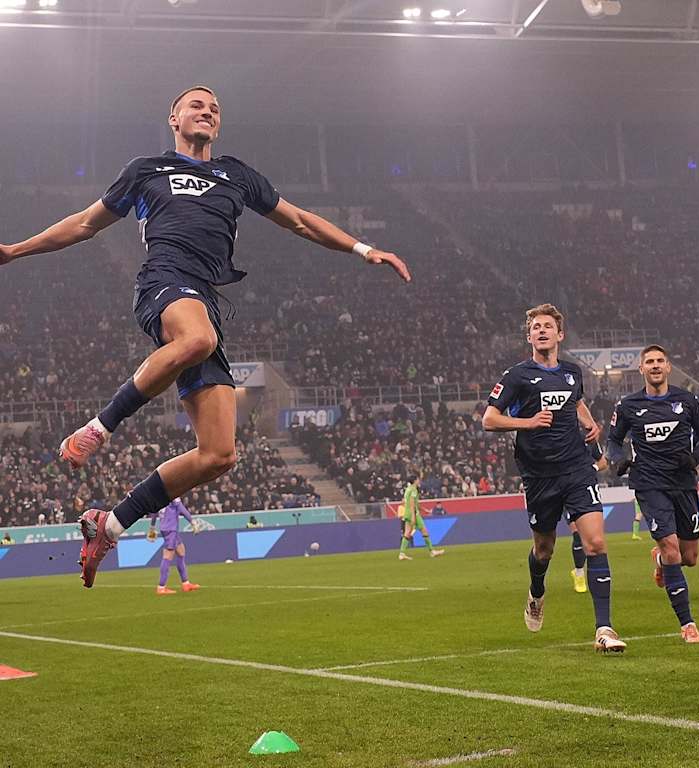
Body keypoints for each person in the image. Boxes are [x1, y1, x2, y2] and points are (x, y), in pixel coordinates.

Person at [0, 86, 410, 589]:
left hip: (206, 299)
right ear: (173, 117)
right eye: (197, 104)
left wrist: (364, 249)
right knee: (198, 339)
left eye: (215, 108)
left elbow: (300, 220)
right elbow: (85, 223)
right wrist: (17, 250)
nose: (208, 111)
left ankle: (108, 525)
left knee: (219, 454)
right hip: (164, 281)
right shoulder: (146, 170)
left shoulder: (235, 175)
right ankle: (98, 429)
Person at [483, 303, 626, 653]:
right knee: (544, 550)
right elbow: (489, 419)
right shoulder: (516, 376)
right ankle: (536, 591)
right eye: (536, 327)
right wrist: (527, 422)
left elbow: (574, 402)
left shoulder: (572, 373)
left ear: (560, 334)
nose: (542, 331)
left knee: (595, 544)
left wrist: (589, 425)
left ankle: (604, 629)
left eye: (548, 326)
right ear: (529, 336)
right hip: (539, 476)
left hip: (576, 468)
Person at [607, 345, 699, 643]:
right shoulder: (628, 405)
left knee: (689, 557)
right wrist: (618, 460)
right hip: (648, 483)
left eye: (659, 362)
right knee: (671, 547)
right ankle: (688, 625)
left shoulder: (687, 400)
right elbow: (613, 440)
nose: (655, 366)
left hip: (683, 482)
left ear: (668, 367)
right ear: (641, 369)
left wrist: (695, 458)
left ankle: (660, 562)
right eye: (649, 362)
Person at [568, 439, 608, 594]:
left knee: (580, 534)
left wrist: (592, 468)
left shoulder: (588, 437)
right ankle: (579, 571)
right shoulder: (558, 434)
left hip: (582, 489)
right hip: (562, 485)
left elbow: (603, 462)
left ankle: (579, 573)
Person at [147, 497, 200, 595]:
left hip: (166, 528)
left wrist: (152, 527)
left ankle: (186, 583)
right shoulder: (173, 495)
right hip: (171, 529)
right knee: (168, 556)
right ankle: (161, 587)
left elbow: (154, 512)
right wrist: (193, 522)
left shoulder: (158, 497)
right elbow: (182, 510)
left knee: (181, 551)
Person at [397, 473, 445, 561]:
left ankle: (402, 553)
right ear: (415, 480)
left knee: (407, 532)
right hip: (413, 513)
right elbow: (412, 503)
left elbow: (414, 503)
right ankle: (432, 551)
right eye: (418, 479)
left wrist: (424, 510)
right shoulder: (414, 490)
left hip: (407, 512)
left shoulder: (408, 489)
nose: (419, 481)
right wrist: (413, 516)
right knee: (424, 531)